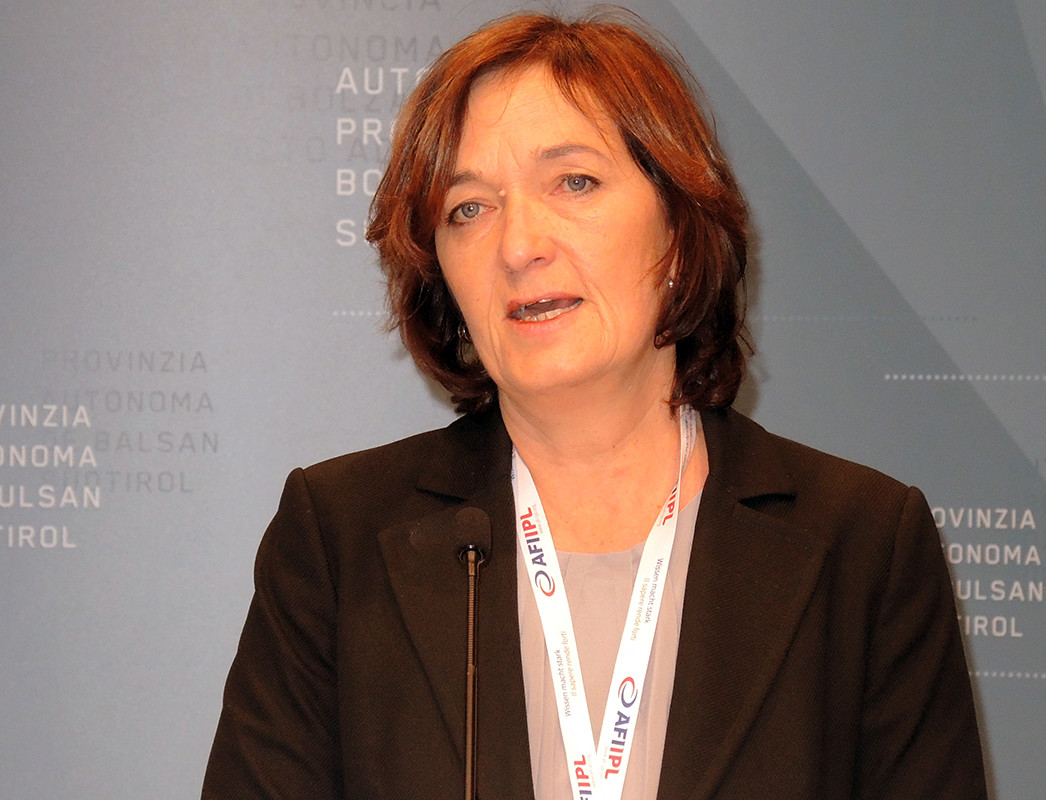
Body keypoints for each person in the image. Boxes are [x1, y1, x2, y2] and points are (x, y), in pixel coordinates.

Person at [202, 9, 987, 800]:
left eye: (573, 182)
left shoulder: (864, 547)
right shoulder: (337, 542)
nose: (519, 245)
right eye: (468, 208)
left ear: (678, 226)